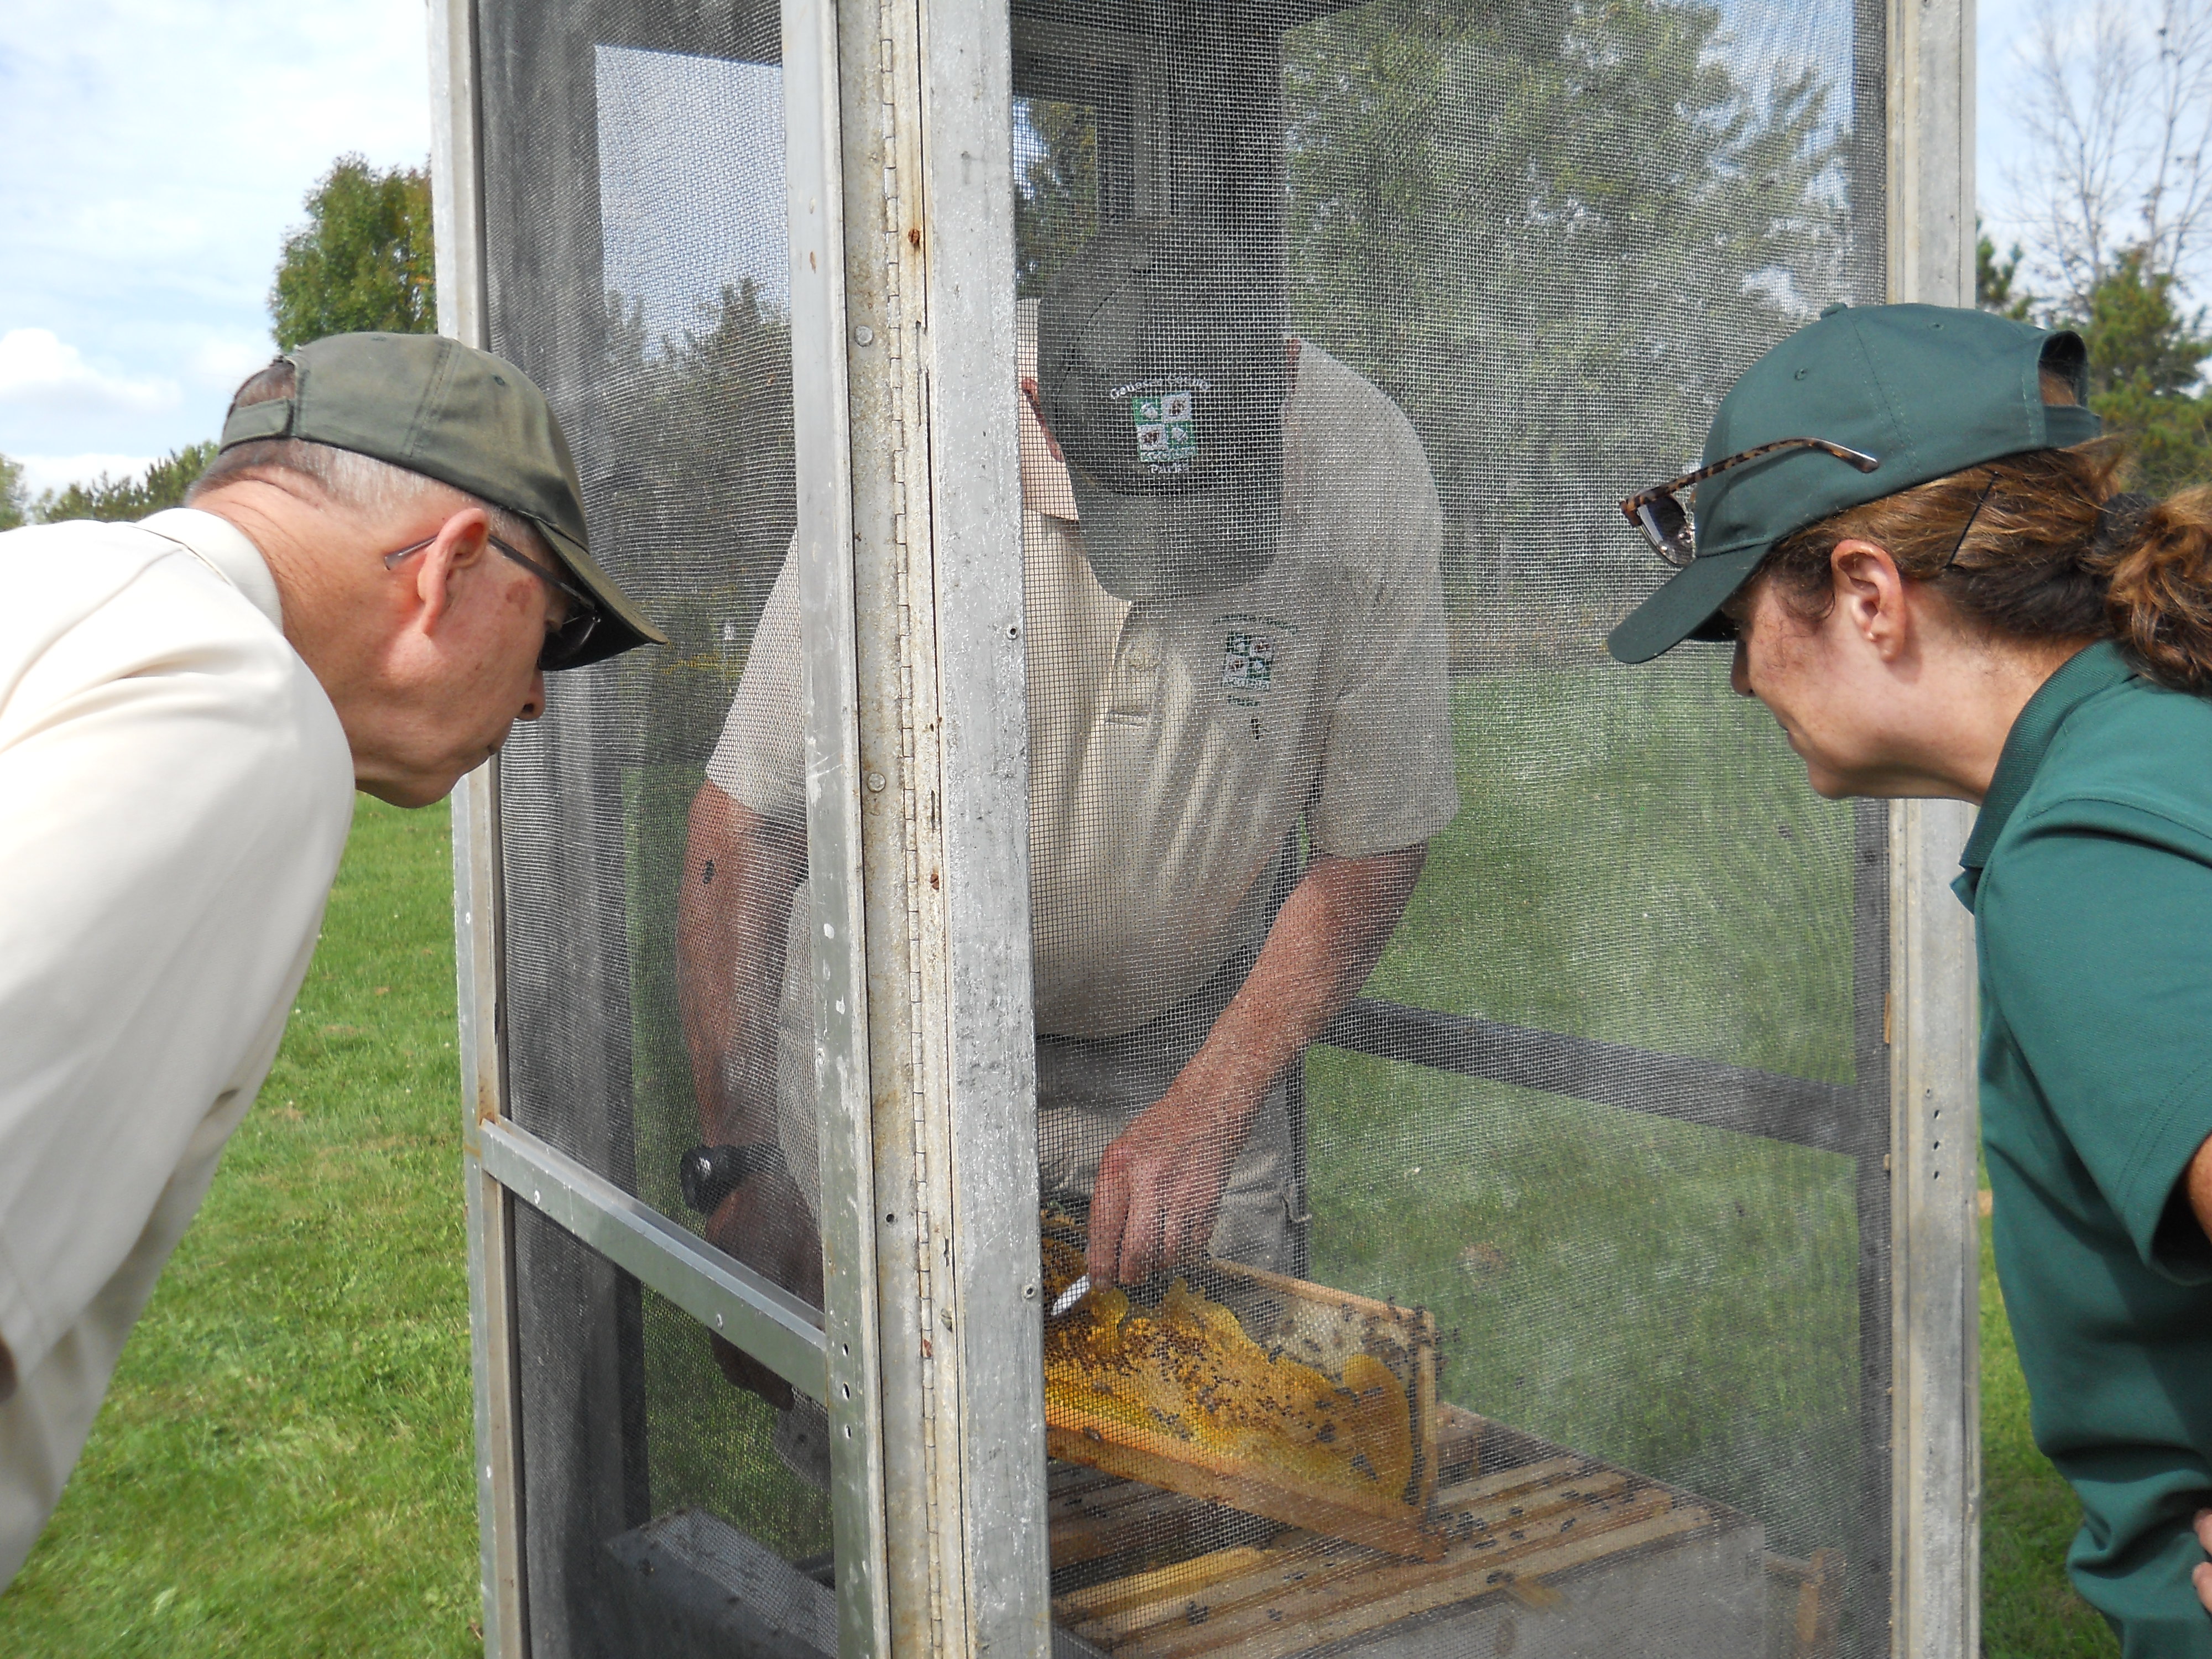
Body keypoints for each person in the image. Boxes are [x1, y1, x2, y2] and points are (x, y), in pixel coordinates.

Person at [677, 220, 1459, 1420]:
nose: (1176, 567)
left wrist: (1207, 1107)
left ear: (1284, 379)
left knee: (1214, 1467)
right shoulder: (913, 440)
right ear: (1039, 408)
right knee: (892, 1466)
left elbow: (1368, 847)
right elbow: (752, 821)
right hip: (899, 1041)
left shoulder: (1365, 466)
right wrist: (745, 1166)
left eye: (1213, 510)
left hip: (1180, 1043)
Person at [0, 332, 663, 1586]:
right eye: (557, 631)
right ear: (455, 566)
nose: (533, 700)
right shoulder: (238, 708)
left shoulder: (47, 576)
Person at [1607, 301, 2212, 1656]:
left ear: (1869, 595)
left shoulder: (2083, 850)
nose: (1741, 682)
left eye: (1741, 618)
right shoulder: (2163, 735)